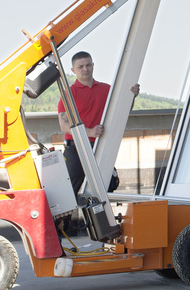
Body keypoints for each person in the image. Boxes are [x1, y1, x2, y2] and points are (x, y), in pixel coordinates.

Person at [57, 51, 140, 196]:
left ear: (93, 66)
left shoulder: (107, 89)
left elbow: (123, 110)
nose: (85, 69)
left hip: (101, 145)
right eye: (80, 66)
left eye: (88, 65)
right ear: (73, 70)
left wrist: (132, 97)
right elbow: (63, 124)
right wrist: (89, 132)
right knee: (70, 188)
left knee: (108, 184)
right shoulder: (69, 94)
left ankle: (100, 218)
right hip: (76, 147)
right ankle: (67, 219)